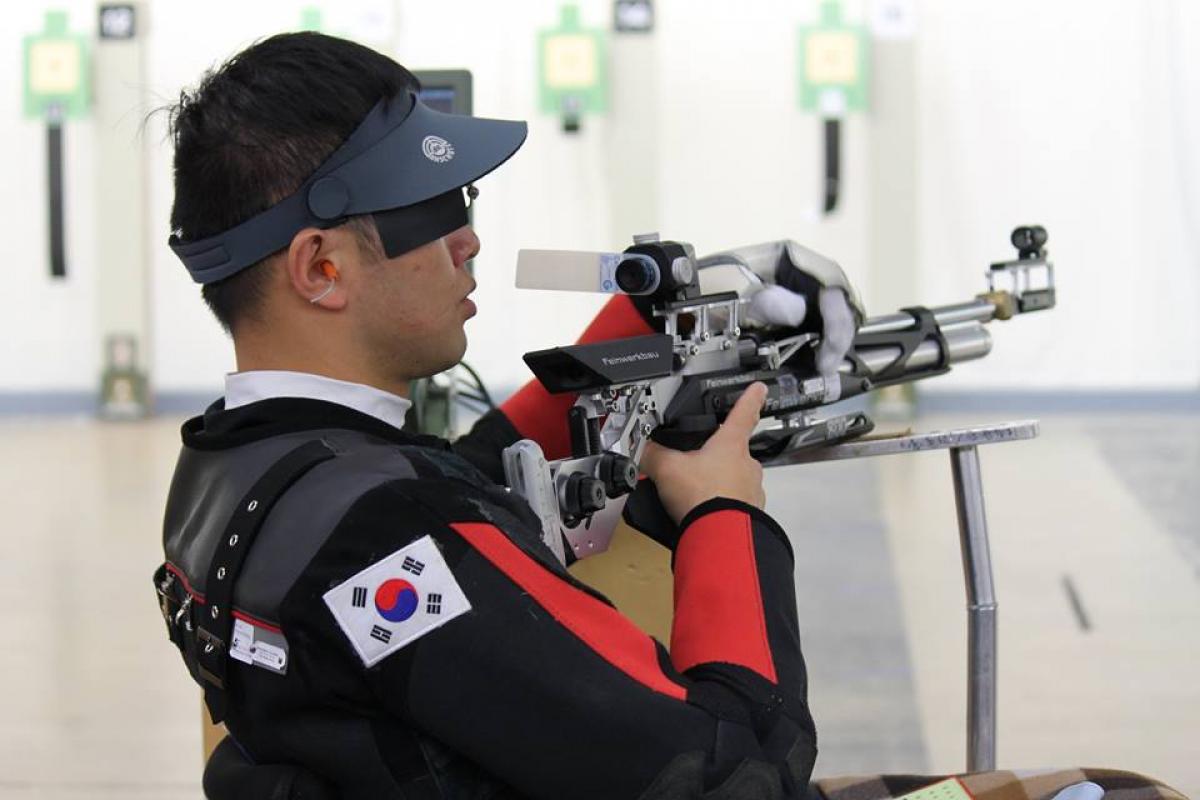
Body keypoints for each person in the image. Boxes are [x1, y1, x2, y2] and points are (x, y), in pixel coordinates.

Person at [154, 32, 849, 800]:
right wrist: (723, 510)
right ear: (322, 268)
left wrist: (656, 324)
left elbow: (454, 476)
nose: (467, 239)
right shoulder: (392, 533)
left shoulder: (237, 466)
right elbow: (740, 774)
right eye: (429, 210)